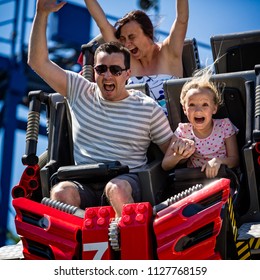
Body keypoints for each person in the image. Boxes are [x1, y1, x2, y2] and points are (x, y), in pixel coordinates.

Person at [27, 0, 173, 217]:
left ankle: (130, 244)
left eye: (115, 70)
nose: (107, 75)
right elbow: (38, 62)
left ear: (127, 74)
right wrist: (41, 14)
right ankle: (74, 249)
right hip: (83, 181)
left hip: (126, 182)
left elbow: (169, 148)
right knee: (60, 193)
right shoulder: (79, 89)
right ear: (93, 71)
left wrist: (182, 147)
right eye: (101, 69)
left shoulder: (147, 107)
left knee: (116, 190)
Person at [80, 0, 189, 113]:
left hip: (173, 128)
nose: (127, 44)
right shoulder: (129, 60)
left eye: (131, 37)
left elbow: (182, 19)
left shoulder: (169, 51)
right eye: (123, 39)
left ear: (148, 34)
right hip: (137, 127)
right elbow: (103, 25)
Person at [161, 69, 240, 179]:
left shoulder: (224, 126)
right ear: (184, 109)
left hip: (223, 178)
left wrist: (219, 161)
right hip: (194, 181)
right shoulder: (183, 131)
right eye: (192, 105)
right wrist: (179, 155)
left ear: (214, 108)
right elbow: (165, 165)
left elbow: (235, 160)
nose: (198, 111)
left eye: (205, 104)